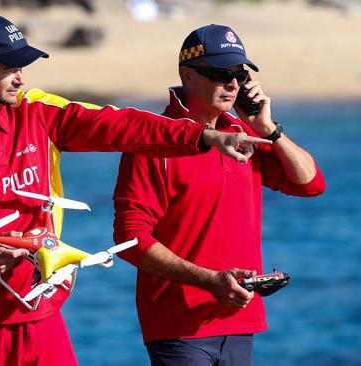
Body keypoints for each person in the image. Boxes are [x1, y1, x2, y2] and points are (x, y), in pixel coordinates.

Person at [0, 14, 269, 366]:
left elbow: (119, 126)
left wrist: (201, 136)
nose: (21, 79)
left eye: (22, 68)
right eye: (9, 69)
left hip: (43, 311)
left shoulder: (37, 111)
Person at [113, 24, 326, 365]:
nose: (232, 85)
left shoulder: (244, 135)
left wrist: (268, 129)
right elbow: (130, 239)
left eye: (240, 75)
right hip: (180, 325)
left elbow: (310, 184)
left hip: (239, 320)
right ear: (188, 75)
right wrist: (209, 281)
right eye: (220, 74)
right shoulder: (154, 142)